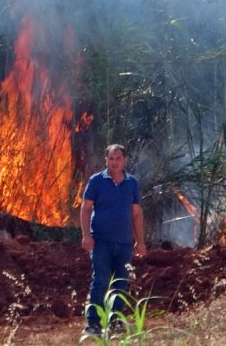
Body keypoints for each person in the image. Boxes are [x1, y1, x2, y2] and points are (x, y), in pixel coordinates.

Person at [80, 144, 146, 336]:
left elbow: (136, 214)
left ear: (124, 160)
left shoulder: (132, 183)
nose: (114, 162)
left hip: (124, 243)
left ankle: (115, 321)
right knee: (100, 281)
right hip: (101, 242)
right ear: (106, 160)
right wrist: (86, 235)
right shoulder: (96, 181)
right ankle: (93, 323)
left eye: (118, 158)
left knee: (121, 283)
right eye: (111, 158)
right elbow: (85, 209)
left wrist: (139, 241)